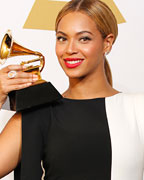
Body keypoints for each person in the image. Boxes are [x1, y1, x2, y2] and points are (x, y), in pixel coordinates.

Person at [0, 0, 144, 179]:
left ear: (107, 43)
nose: (69, 49)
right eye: (62, 38)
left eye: (84, 38)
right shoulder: (35, 115)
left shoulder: (138, 109)